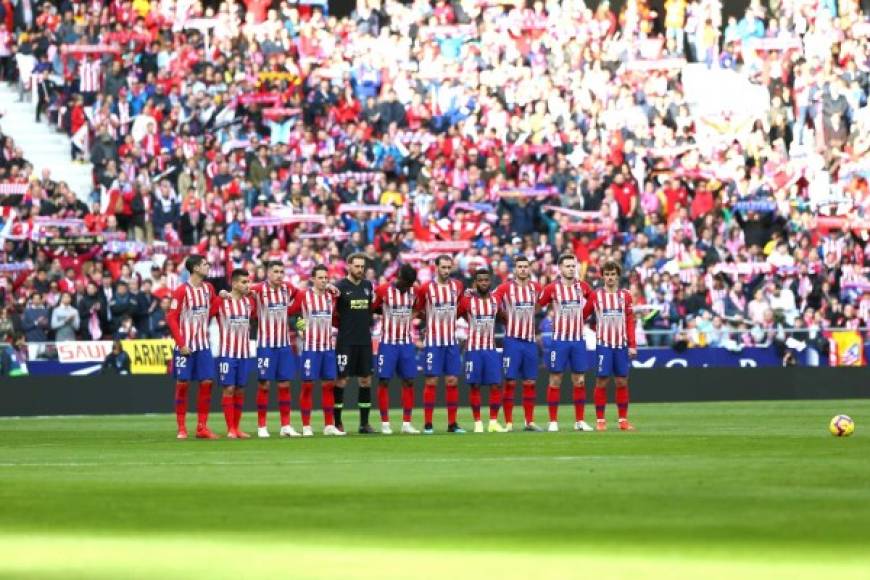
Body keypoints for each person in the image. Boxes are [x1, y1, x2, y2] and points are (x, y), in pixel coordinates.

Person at [537, 253, 595, 432]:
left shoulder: (583, 287)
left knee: (579, 380)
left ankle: (579, 421)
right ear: (560, 268)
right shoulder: (552, 288)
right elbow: (539, 305)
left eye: (573, 265)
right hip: (559, 341)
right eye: (567, 266)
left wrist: (582, 316)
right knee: (556, 378)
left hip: (578, 340)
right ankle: (553, 421)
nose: (571, 268)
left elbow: (592, 303)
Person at [167, 255, 218, 440]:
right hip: (185, 346)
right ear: (196, 268)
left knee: (207, 382)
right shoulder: (181, 291)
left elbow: (211, 311)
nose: (208, 266)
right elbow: (171, 318)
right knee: (183, 384)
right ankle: (181, 428)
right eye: (205, 264)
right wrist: (181, 344)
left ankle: (202, 427)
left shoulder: (209, 289)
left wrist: (220, 299)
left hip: (203, 345)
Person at [288, 264, 343, 437]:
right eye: (320, 278)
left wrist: (334, 289)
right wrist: (300, 327)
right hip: (310, 348)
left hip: (327, 348)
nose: (324, 281)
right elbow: (293, 313)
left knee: (329, 385)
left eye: (326, 278)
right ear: (312, 279)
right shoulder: (304, 296)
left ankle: (329, 425)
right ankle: (306, 426)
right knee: (308, 385)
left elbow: (338, 303)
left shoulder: (331, 296)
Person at [250, 261, 302, 438]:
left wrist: (292, 311)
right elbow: (241, 292)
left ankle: (285, 426)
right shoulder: (258, 289)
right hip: (265, 345)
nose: (279, 275)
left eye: (282, 271)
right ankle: (262, 426)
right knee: (264, 384)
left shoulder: (287, 288)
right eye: (276, 272)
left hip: (284, 345)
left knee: (285, 384)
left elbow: (302, 295)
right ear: (268, 273)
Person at [414, 254, 465, 434]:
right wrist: (427, 324)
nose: (446, 270)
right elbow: (417, 310)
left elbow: (459, 308)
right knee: (432, 380)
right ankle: (428, 423)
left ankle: (452, 424)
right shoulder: (426, 288)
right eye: (443, 267)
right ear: (436, 267)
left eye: (448, 267)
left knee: (452, 381)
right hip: (433, 341)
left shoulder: (457, 286)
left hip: (451, 341)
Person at [492, 255, 542, 432]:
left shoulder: (536, 288)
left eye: (525, 266)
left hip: (529, 341)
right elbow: (492, 302)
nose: (522, 269)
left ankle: (529, 421)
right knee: (511, 382)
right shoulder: (505, 288)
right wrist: (502, 317)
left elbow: (541, 305)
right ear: (515, 269)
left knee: (530, 382)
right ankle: (509, 423)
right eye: (519, 266)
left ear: (529, 269)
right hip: (512, 341)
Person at [372, 264, 420, 435]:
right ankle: (385, 423)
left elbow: (417, 309)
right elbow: (373, 307)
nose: (408, 286)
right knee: (384, 380)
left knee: (409, 380)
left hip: (406, 343)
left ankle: (406, 423)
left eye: (411, 284)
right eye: (406, 282)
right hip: (387, 343)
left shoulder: (414, 292)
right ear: (399, 277)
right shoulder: (383, 290)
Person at [590, 261, 637, 431]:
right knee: (602, 381)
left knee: (621, 381)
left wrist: (632, 345)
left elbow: (630, 321)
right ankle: (600, 420)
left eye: (613, 274)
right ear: (602, 276)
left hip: (621, 345)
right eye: (607, 274)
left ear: (617, 276)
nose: (610, 277)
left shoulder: (625, 296)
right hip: (604, 345)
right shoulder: (596, 296)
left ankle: (623, 420)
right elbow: (585, 314)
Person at [210, 269, 257, 439]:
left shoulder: (248, 302)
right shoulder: (223, 301)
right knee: (229, 388)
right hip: (227, 353)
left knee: (240, 390)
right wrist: (218, 296)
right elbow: (208, 313)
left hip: (244, 353)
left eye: (248, 281)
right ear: (234, 283)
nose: (247, 285)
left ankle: (237, 428)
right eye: (244, 282)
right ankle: (230, 429)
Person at [333, 252, 376, 434]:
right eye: (357, 266)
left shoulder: (368, 286)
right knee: (342, 380)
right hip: (346, 341)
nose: (360, 270)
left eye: (362, 266)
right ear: (348, 266)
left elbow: (370, 311)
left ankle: (364, 423)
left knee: (366, 381)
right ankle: (337, 422)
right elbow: (333, 313)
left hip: (364, 340)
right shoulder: (339, 287)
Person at [458, 268, 504, 434]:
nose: (484, 282)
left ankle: (493, 422)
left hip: (491, 349)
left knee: (496, 385)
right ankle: (478, 422)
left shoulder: (496, 299)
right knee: (475, 386)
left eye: (486, 280)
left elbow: (502, 316)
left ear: (490, 281)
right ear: (475, 282)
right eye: (480, 280)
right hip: (473, 349)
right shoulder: (467, 301)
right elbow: (456, 315)